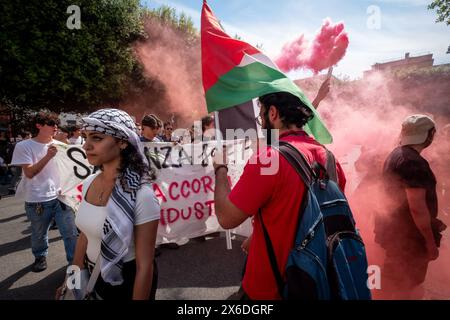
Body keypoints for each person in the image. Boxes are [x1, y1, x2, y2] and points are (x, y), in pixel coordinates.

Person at [213, 91, 346, 300]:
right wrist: (257, 235)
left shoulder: (268, 159)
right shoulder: (329, 157)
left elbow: (226, 217)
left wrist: (220, 168)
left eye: (261, 115)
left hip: (270, 287)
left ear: (273, 113)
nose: (261, 122)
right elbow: (309, 212)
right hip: (320, 281)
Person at [57, 108, 160, 300]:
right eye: (85, 137)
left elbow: (145, 265)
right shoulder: (88, 183)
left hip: (126, 281)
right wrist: (70, 282)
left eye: (96, 138)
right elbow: (84, 237)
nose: (86, 146)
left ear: (122, 142)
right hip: (93, 276)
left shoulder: (142, 196)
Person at [375, 114, 446, 299]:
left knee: (392, 282)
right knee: (405, 286)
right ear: (428, 136)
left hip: (394, 233)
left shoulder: (396, 154)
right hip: (409, 238)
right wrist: (430, 243)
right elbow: (417, 208)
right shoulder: (414, 163)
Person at [10, 112, 78, 272]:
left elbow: (69, 171)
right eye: (50, 123)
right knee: (39, 233)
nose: (55, 126)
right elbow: (29, 173)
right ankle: (40, 256)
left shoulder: (60, 145)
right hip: (37, 200)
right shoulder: (24, 146)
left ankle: (74, 265)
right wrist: (48, 156)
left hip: (62, 197)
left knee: (70, 233)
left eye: (56, 123)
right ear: (38, 126)